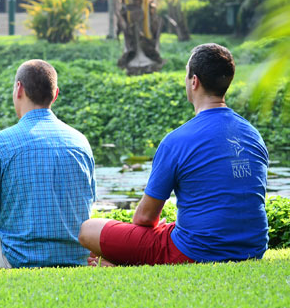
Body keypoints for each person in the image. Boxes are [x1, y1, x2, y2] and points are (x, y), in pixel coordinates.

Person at [79, 43, 269, 266]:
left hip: (195, 251)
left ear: (194, 81)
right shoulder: (252, 134)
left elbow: (144, 219)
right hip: (253, 248)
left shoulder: (177, 140)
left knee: (88, 229)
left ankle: (117, 264)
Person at [0, 59, 96, 268]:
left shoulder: (1, 143)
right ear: (55, 94)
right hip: (73, 257)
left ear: (19, 88)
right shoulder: (80, 142)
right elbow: (86, 207)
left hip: (16, 258)